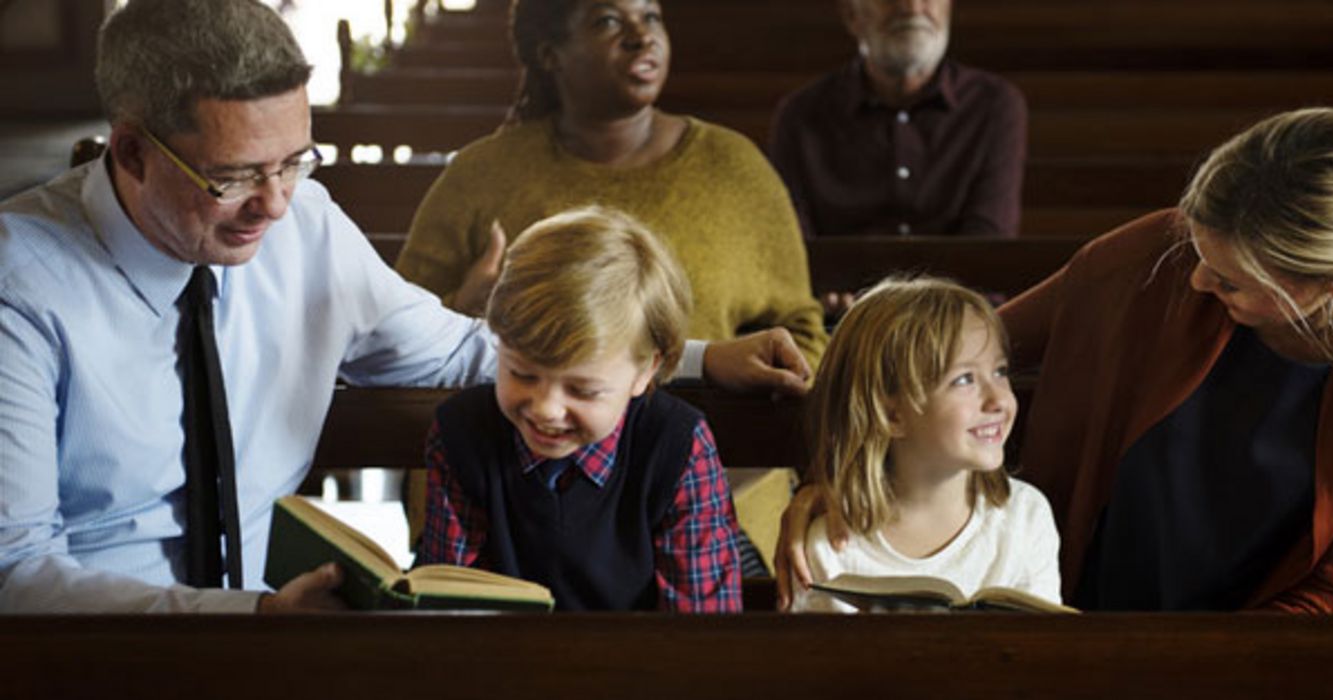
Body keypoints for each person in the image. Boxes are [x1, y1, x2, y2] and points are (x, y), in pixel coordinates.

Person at [0, 0, 808, 614]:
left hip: (272, 637)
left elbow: (467, 351)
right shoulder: (21, 281)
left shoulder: (306, 229)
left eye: (295, 161)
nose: (275, 207)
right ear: (131, 150)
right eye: (236, 176)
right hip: (91, 653)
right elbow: (14, 571)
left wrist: (693, 358)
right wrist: (245, 617)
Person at [777, 107, 1333, 613]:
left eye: (1232, 281)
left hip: (1294, 650)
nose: (1198, 281)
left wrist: (1212, 669)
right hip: (1098, 614)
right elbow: (915, 366)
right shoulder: (1156, 256)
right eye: (1197, 248)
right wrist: (841, 472)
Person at [394, 0, 829, 372]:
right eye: (608, 21)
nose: (642, 36)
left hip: (712, 458)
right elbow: (399, 335)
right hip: (526, 448)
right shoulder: (482, 172)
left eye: (651, 16)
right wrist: (464, 310)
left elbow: (801, 333)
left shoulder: (734, 166)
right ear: (550, 54)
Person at [417, 206, 741, 611]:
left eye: (583, 391)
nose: (546, 408)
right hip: (499, 664)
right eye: (522, 374)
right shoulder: (462, 434)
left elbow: (700, 629)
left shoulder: (677, 448)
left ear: (646, 372)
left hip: (644, 667)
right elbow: (444, 606)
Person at [790, 276, 1059, 612]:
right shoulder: (830, 542)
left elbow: (1044, 654)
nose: (998, 400)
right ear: (892, 416)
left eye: (1000, 372)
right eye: (965, 379)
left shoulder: (1025, 517)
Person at [768, 0, 1027, 241]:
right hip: (838, 290)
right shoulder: (800, 115)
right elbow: (793, 245)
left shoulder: (994, 105)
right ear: (852, 16)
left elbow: (988, 239)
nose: (913, 8)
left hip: (960, 289)